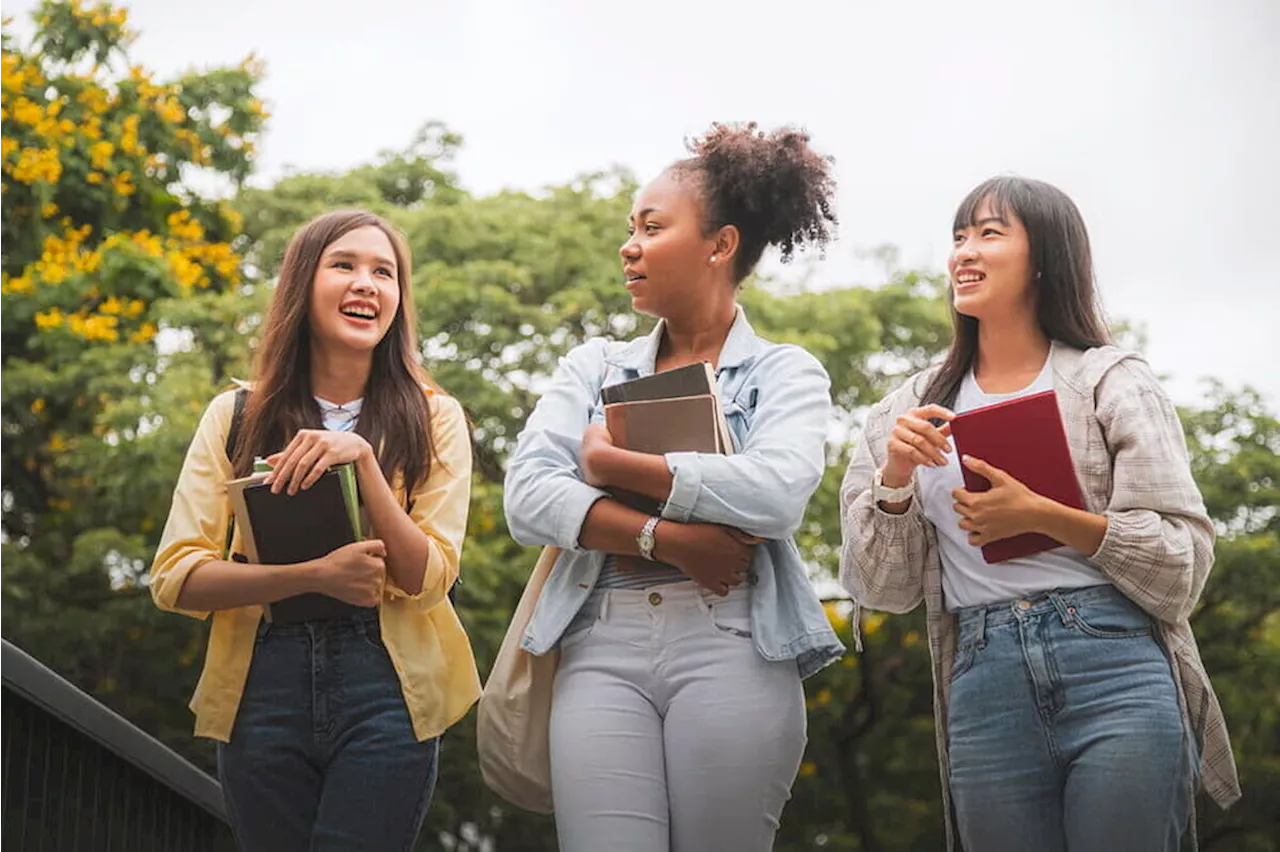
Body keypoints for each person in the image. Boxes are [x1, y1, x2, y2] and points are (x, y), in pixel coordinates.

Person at [839, 176, 1241, 851]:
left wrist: (1045, 515)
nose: (963, 252)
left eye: (989, 233)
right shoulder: (901, 411)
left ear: (1045, 258)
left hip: (1115, 662)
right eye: (958, 237)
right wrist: (896, 480)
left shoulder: (1109, 380)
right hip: (982, 676)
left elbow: (1180, 567)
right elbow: (880, 587)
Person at [502, 122, 845, 852]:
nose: (628, 245)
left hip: (734, 639)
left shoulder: (785, 372)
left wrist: (616, 467)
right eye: (630, 228)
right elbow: (527, 496)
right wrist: (672, 538)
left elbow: (776, 494)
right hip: (599, 639)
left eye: (651, 227)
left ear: (719, 245)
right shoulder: (594, 365)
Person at [150, 209, 481, 850]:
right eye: (344, 266)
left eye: (384, 273)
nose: (367, 284)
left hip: (388, 687)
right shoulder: (237, 414)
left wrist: (360, 457)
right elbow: (175, 576)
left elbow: (428, 575)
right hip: (260, 684)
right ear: (303, 284)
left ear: (398, 299)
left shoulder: (435, 416)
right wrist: (313, 577)